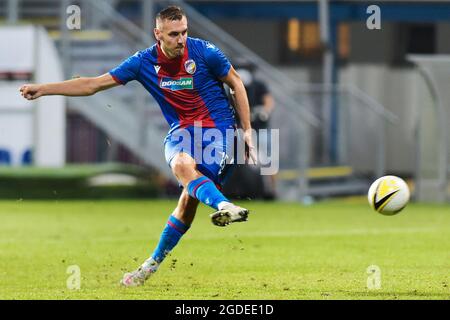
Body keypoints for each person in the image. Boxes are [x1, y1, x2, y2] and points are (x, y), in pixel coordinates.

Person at [19, 5, 256, 287]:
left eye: (183, 33)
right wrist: (44, 88)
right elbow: (93, 85)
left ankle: (211, 214)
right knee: (184, 174)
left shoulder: (205, 52)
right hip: (182, 133)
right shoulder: (143, 62)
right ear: (158, 34)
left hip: (219, 130)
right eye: (173, 35)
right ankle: (159, 258)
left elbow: (236, 83)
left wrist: (248, 130)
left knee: (187, 199)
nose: (180, 40)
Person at [229, 60, 277, 199]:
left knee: (269, 160)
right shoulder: (231, 86)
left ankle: (271, 191)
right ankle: (244, 190)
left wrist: (264, 111)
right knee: (240, 161)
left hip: (260, 128)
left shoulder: (259, 85)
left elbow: (269, 101)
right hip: (241, 130)